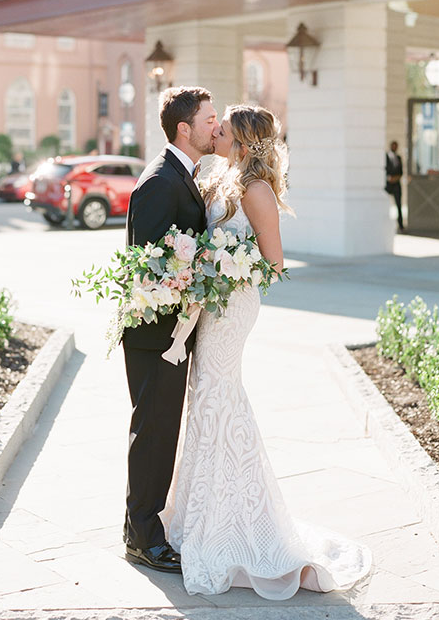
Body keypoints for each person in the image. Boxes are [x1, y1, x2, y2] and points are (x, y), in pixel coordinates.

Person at [161, 105, 372, 599]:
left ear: (243, 140)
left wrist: (226, 265)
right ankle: (203, 513)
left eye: (224, 128)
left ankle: (240, 524)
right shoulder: (221, 178)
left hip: (233, 305)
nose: (216, 131)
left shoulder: (255, 190)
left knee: (218, 393)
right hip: (211, 301)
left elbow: (274, 263)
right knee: (206, 395)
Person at [123, 85, 220, 573]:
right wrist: (195, 272)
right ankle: (143, 536)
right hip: (157, 335)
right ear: (185, 128)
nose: (216, 127)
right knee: (154, 433)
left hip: (169, 333)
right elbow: (149, 267)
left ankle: (137, 527)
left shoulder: (182, 176)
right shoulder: (161, 181)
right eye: (209, 120)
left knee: (159, 430)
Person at [385, 141, 404, 231]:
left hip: (396, 185)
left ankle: (400, 225)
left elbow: (401, 172)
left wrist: (396, 178)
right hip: (388, 185)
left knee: (399, 205)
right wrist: (389, 179)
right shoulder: (385, 157)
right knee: (385, 204)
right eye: (393, 146)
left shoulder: (399, 158)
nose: (395, 148)